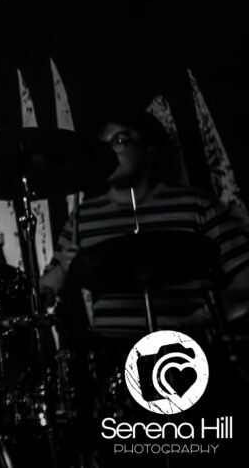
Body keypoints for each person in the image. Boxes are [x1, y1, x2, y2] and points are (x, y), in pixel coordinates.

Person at [40, 108, 249, 340]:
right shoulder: (82, 217)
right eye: (103, 145)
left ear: (149, 147)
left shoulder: (195, 205)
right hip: (113, 358)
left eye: (119, 140)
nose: (109, 152)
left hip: (186, 350)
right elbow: (49, 284)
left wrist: (201, 319)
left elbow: (244, 277)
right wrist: (58, 276)